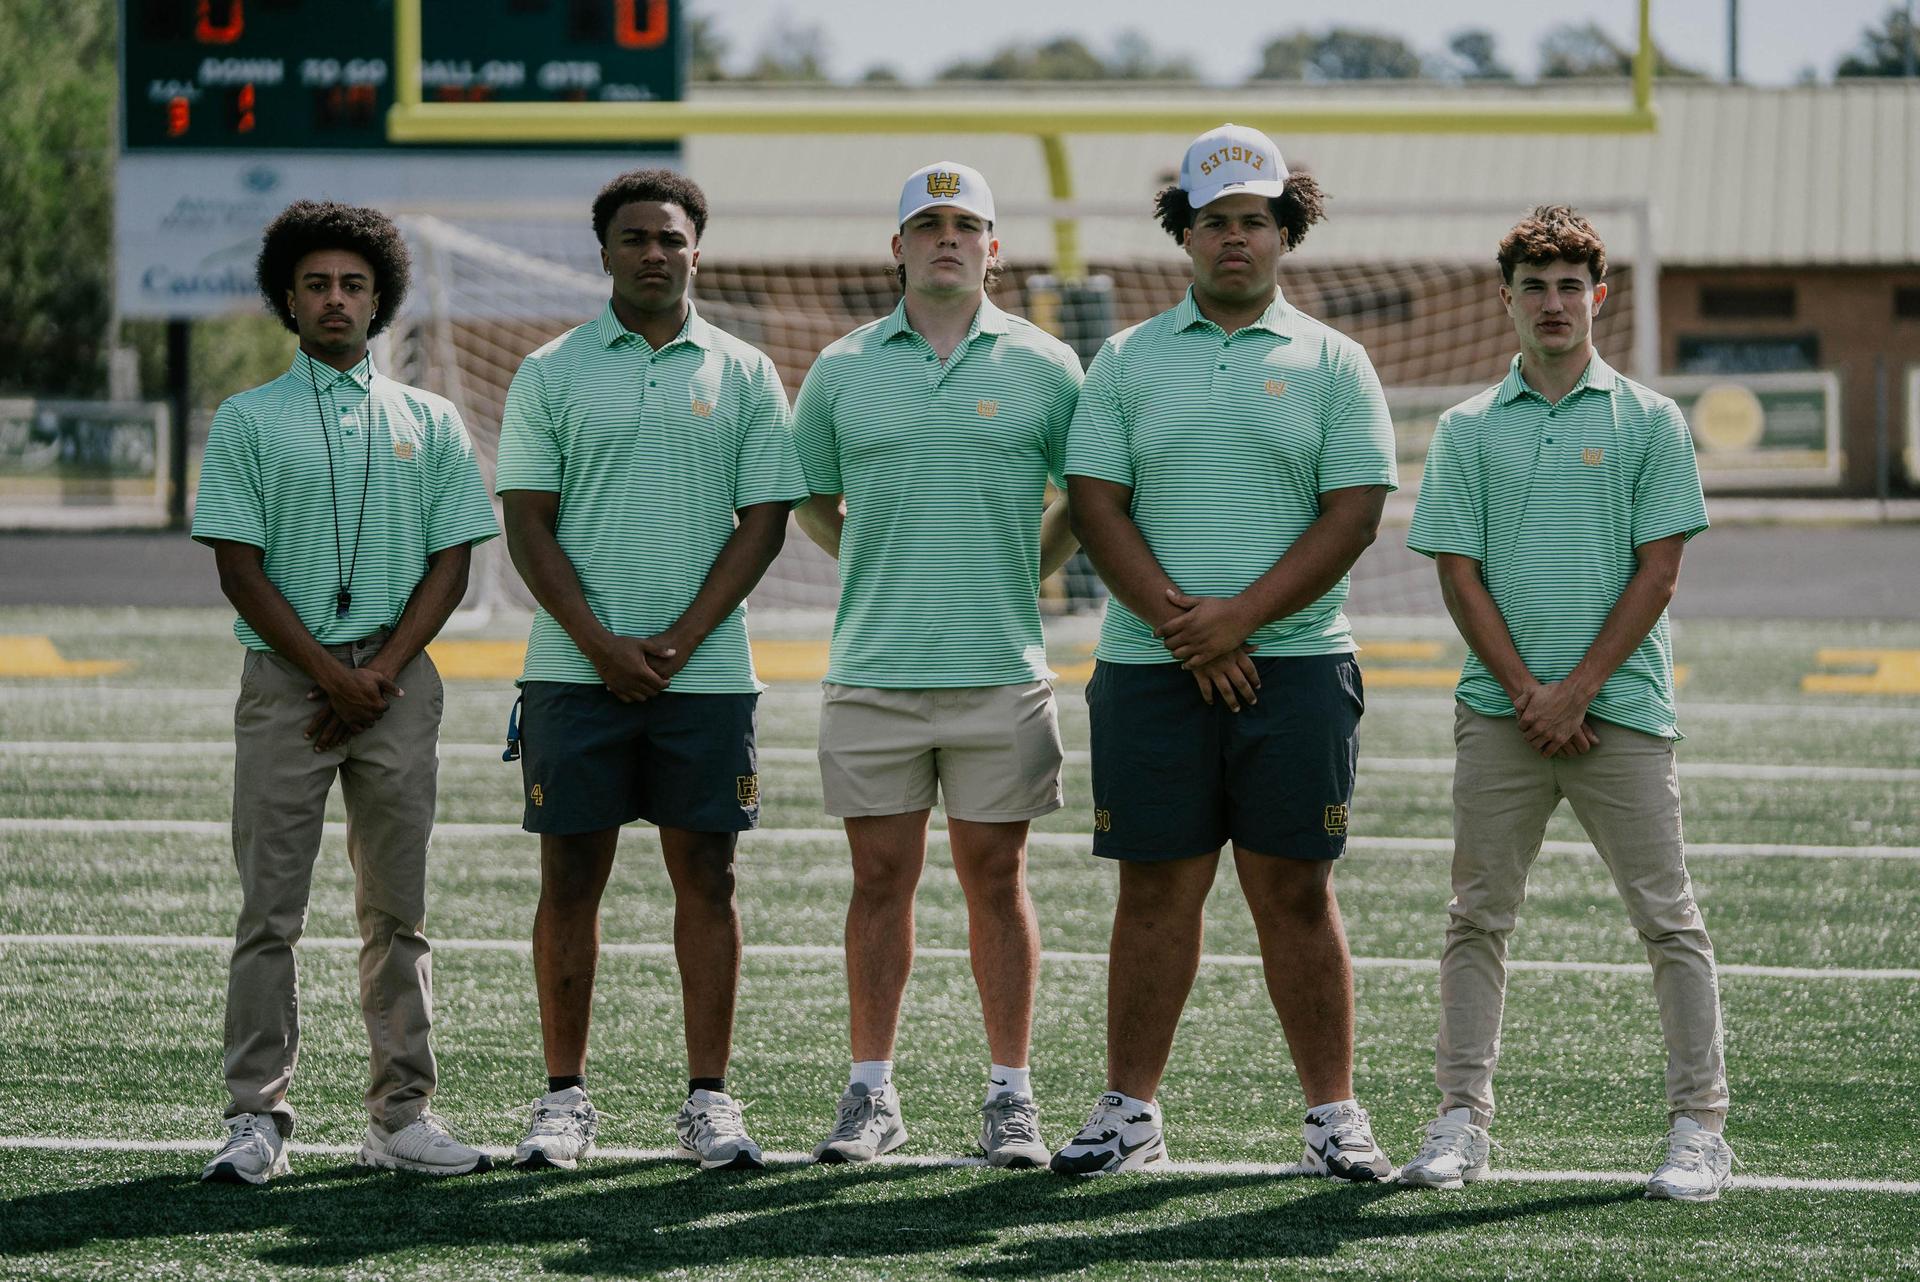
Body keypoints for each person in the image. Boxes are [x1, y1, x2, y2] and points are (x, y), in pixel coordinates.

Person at [1052, 124, 1398, 1181]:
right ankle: (1130, 1114)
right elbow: (1096, 505)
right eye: (1215, 222)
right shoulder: (1126, 356)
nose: (1235, 238)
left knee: (1295, 891)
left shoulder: (1337, 360)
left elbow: (1354, 514)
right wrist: (1183, 627)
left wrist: (1236, 620)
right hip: (1152, 663)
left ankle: (1332, 1118)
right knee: (1153, 890)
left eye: (1254, 219)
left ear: (1286, 230)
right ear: (1184, 234)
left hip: (1293, 663)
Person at [1399, 205, 1731, 1201]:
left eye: (1568, 285)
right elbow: (1458, 576)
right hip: (1501, 715)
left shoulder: (1650, 420)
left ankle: (1699, 1126)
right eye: (1532, 285)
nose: (1552, 303)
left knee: (1669, 920)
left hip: (1619, 712)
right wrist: (1526, 694)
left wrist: (1575, 691)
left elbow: (1658, 572)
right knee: (1476, 918)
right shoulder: (1465, 428)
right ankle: (1461, 1120)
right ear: (1506, 299)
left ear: (1598, 295)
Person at [496, 169, 807, 1172]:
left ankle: (709, 1099)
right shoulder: (547, 369)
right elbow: (526, 524)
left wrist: (678, 639)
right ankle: (563, 1100)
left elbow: (764, 522)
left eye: (671, 238)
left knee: (708, 878)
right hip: (571, 672)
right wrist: (599, 643)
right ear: (604, 254)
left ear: (697, 250)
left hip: (706, 676)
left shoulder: (747, 371)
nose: (654, 253)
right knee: (570, 878)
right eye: (634, 238)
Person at [193, 199, 499, 1182]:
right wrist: (332, 675)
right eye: (317, 283)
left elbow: (452, 564)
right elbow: (239, 568)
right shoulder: (246, 418)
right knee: (269, 913)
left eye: (354, 284)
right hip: (289, 684)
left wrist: (377, 674)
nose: (336, 299)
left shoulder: (430, 418)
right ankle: (256, 1115)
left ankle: (400, 1114)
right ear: (288, 297)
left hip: (397, 683)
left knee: (396, 913)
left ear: (381, 300)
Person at [790, 161, 1083, 1168]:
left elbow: (1084, 501)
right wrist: (878, 562)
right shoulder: (840, 367)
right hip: (875, 667)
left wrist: (1023, 571)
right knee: (879, 879)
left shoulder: (1048, 366)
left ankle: (1012, 1095)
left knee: (996, 880)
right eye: (929, 224)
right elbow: (809, 496)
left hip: (1000, 667)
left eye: (968, 224)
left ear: (995, 247)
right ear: (898, 247)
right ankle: (871, 1091)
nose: (948, 238)